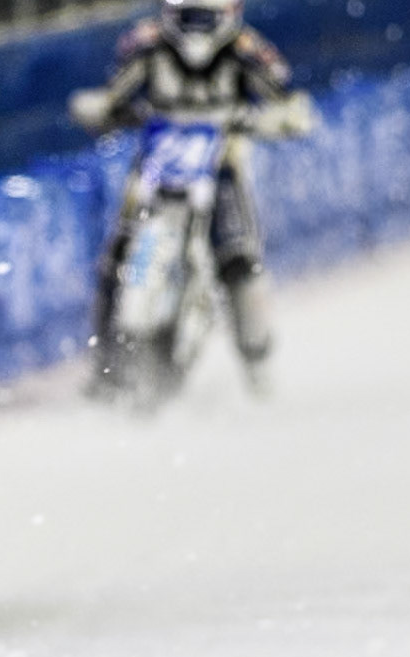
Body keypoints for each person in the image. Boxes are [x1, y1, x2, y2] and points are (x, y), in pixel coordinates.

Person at [69, 0, 314, 396]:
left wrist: (273, 119)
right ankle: (108, 368)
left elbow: (289, 102)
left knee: (240, 260)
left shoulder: (247, 49)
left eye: (206, 17)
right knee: (117, 256)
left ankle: (258, 368)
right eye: (188, 16)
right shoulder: (145, 45)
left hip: (219, 168)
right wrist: (107, 110)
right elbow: (112, 97)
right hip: (156, 167)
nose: (196, 29)